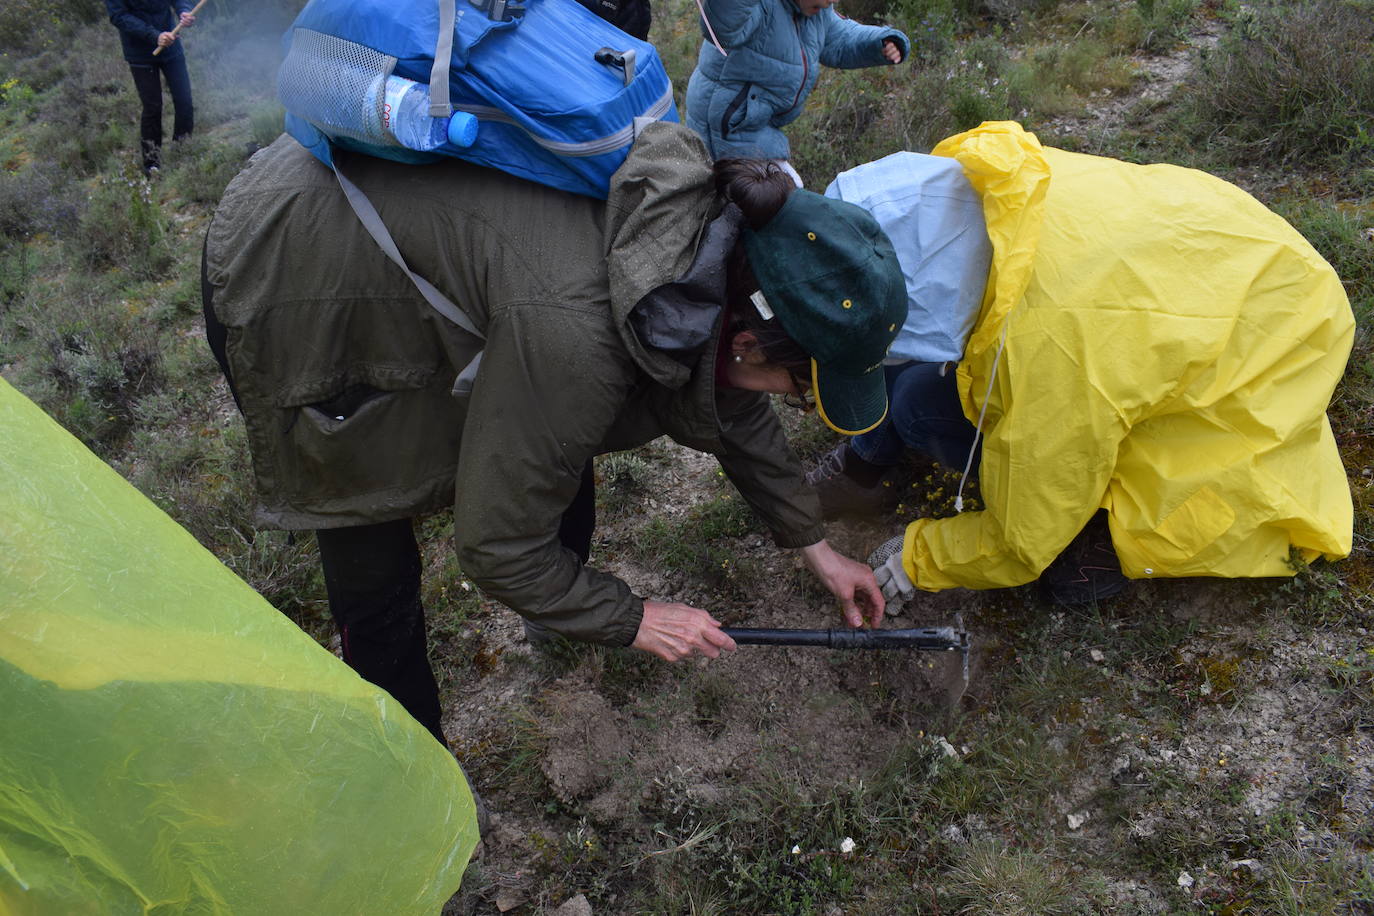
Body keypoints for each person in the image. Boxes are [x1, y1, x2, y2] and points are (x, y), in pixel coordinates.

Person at [201, 121, 907, 744]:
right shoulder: (579, 340)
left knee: (553, 429)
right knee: (371, 539)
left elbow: (728, 402)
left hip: (422, 238)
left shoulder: (712, 246)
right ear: (752, 342)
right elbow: (497, 545)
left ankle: (558, 613)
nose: (794, 403)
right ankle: (415, 775)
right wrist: (636, 618)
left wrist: (815, 547)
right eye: (802, 390)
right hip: (290, 263)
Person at [809, 121, 1355, 605]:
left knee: (930, 414)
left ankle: (1103, 527)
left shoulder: (1054, 363)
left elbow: (1021, 542)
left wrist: (918, 558)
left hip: (1269, 350)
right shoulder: (991, 189)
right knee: (917, 386)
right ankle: (867, 463)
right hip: (1230, 271)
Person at [685, 0, 909, 164]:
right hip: (727, 127)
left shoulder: (816, 10)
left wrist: (880, 43)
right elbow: (722, 27)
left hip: (759, 124)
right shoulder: (761, 6)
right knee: (738, 211)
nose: (830, 1)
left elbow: (840, 37)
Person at [104, 0, 196, 174]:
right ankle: (152, 164)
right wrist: (154, 35)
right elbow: (119, 17)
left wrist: (184, 11)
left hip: (171, 47)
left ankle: (182, 151)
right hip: (140, 54)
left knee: (184, 100)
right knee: (153, 107)